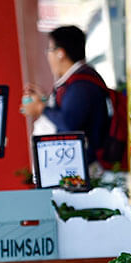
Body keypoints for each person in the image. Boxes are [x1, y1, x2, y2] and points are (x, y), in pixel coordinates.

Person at [21, 25, 109, 167]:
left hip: (86, 168)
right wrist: (44, 100)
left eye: (49, 50)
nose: (48, 56)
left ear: (60, 53)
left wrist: (41, 107)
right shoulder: (75, 80)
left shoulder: (81, 85)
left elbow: (70, 124)